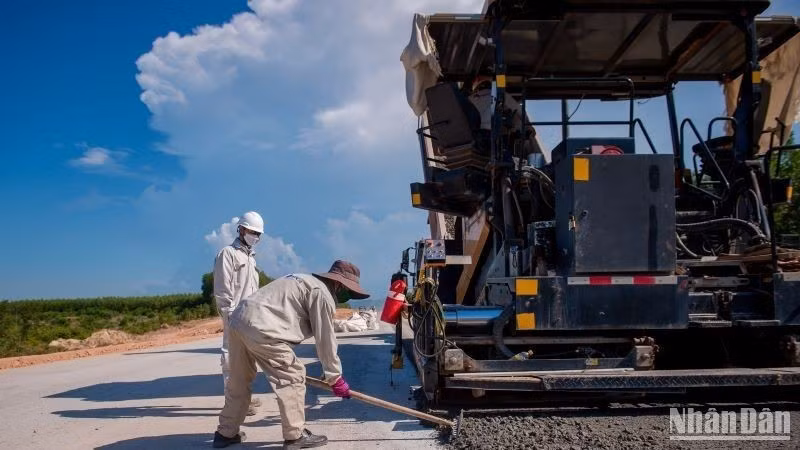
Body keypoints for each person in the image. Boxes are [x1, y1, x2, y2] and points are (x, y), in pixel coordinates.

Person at [212, 259, 370, 449]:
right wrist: (335, 377)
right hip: (264, 328)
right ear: (338, 283)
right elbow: (325, 339)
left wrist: (328, 373)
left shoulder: (303, 280)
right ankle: (295, 436)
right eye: (348, 290)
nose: (347, 295)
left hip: (238, 320)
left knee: (239, 380)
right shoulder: (322, 294)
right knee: (293, 377)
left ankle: (225, 433)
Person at [213, 211, 265, 416]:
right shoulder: (228, 254)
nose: (256, 237)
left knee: (247, 359)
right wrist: (229, 315)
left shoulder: (250, 257)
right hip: (234, 316)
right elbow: (223, 289)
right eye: (252, 232)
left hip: (250, 316)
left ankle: (244, 397)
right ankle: (232, 400)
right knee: (230, 357)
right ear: (241, 229)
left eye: (259, 234)